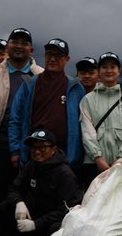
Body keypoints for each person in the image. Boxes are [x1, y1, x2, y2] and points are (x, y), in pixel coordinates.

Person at [0, 27, 41, 236]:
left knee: (27, 194)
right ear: (7, 47)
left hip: (32, 146)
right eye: (14, 41)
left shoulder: (39, 75)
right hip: (0, 143)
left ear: (31, 49)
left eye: (24, 42)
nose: (18, 45)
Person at [0, 129, 81, 236]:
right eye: (33, 148)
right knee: (6, 207)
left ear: (53, 149)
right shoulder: (31, 166)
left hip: (50, 220)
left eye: (42, 148)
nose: (37, 152)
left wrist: (36, 224)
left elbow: (66, 210)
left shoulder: (65, 174)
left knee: (58, 227)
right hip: (32, 215)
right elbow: (13, 189)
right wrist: (19, 203)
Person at [8, 38, 85, 167]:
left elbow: (84, 124)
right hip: (34, 153)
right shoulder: (29, 84)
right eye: (49, 54)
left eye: (58, 55)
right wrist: (15, 151)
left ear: (67, 59)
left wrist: (78, 155)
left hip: (65, 155)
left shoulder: (75, 88)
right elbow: (15, 119)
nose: (53, 59)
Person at [79, 51, 122, 184]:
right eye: (104, 67)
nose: (109, 70)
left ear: (119, 71)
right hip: (93, 163)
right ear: (99, 71)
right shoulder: (87, 100)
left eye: (113, 67)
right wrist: (98, 158)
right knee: (94, 202)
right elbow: (87, 132)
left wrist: (121, 159)